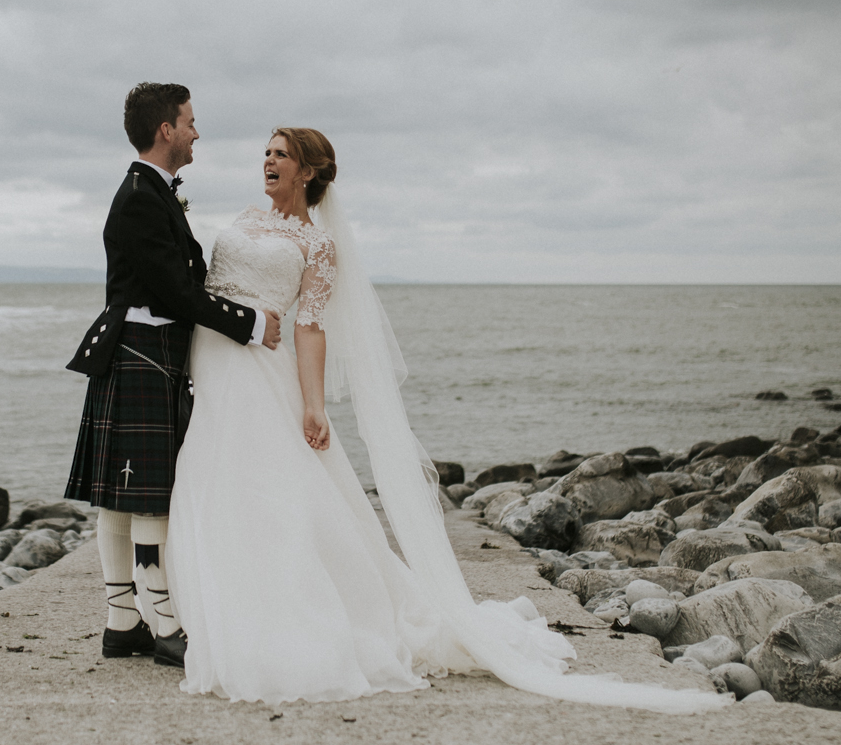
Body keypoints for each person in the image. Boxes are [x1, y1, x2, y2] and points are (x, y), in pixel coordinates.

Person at [165, 127, 730, 712]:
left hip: (260, 372)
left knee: (268, 492)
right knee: (214, 482)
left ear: (307, 172)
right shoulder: (244, 218)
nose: (268, 161)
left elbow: (309, 328)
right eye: (266, 152)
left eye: (280, 154)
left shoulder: (319, 244)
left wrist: (313, 405)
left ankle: (278, 614)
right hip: (209, 359)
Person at [64, 83, 282, 669]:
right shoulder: (140, 195)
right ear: (166, 130)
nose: (195, 131)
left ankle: (121, 622)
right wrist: (251, 322)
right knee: (146, 495)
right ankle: (161, 622)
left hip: (137, 349)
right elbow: (176, 291)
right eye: (189, 121)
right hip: (144, 348)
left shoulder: (149, 191)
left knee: (119, 495)